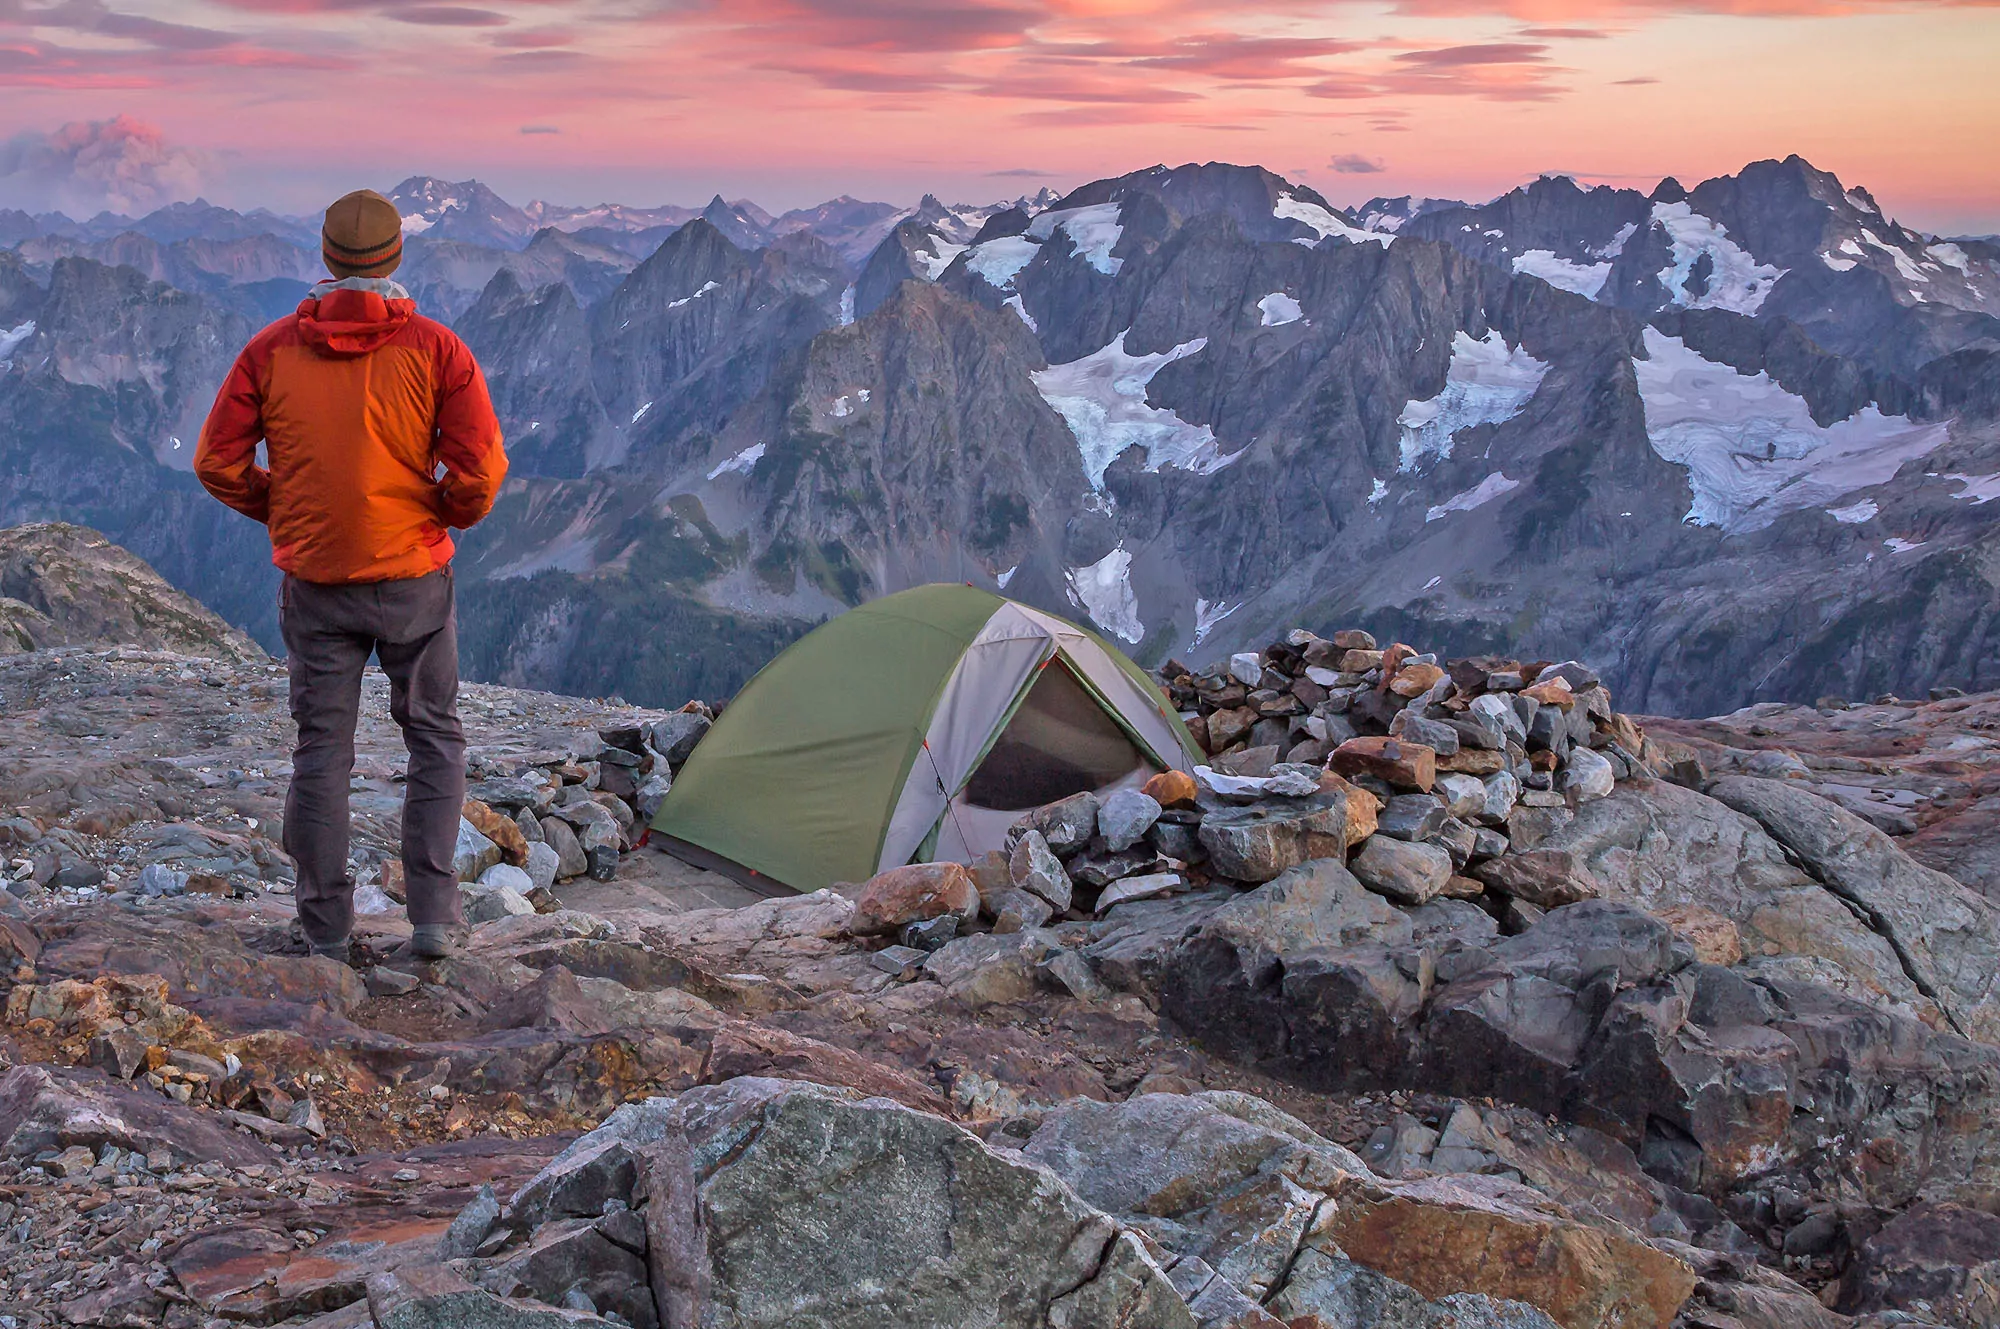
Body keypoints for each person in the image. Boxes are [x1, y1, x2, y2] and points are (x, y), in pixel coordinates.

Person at [194, 188, 507, 964]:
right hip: (413, 580)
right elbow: (481, 470)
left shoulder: (269, 351)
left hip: (316, 583)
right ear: (396, 257)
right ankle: (433, 918)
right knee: (433, 736)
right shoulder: (439, 350)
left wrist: (285, 509)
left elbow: (216, 462)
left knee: (322, 747)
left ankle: (326, 930)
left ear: (327, 258)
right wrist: (438, 511)